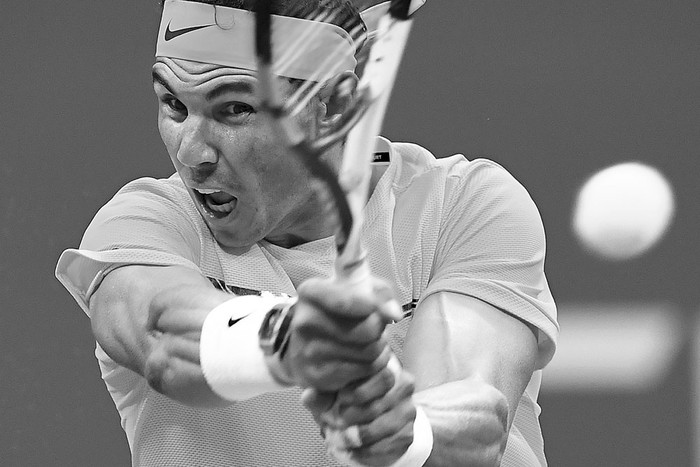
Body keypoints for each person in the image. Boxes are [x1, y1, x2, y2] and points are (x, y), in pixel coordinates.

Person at [55, 0, 559, 465]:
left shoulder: (463, 203)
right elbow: (162, 335)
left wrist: (406, 432)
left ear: (333, 108)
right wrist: (286, 339)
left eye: (235, 109)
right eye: (174, 105)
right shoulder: (148, 221)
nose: (192, 153)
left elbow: (477, 413)